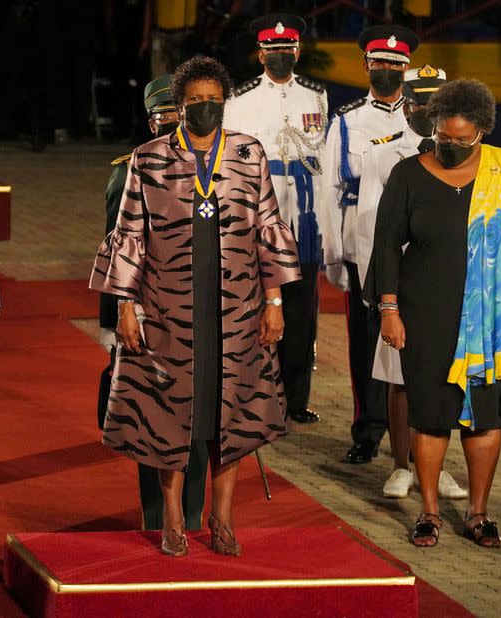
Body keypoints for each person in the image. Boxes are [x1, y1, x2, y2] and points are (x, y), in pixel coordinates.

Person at [90, 56, 300, 557]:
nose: (205, 110)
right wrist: (123, 306)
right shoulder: (150, 157)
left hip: (237, 309)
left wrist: (275, 301)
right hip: (169, 312)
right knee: (168, 416)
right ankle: (171, 520)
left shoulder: (248, 153)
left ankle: (221, 519)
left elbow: (268, 230)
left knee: (231, 416)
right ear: (178, 107)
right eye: (195, 103)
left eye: (214, 102)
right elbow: (130, 237)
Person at [363, 79, 501, 548]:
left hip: (496, 316)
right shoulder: (408, 174)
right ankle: (430, 512)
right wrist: (388, 310)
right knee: (430, 415)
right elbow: (387, 246)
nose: (450, 146)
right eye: (442, 138)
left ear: (483, 132)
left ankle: (478, 513)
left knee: (485, 418)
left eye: (462, 139)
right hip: (424, 309)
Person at [98, 74, 209, 531]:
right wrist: (114, 325)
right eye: (162, 115)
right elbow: (116, 246)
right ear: (150, 121)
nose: (169, 123)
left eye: (176, 114)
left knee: (202, 417)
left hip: (205, 314)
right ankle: (156, 515)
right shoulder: (128, 170)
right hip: (151, 317)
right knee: (153, 415)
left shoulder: (216, 166)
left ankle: (196, 514)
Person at [355, 66, 466, 500]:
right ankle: (402, 466)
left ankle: (435, 469)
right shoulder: (385, 155)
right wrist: (382, 296)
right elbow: (371, 230)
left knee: (443, 376)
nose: (423, 111)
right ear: (406, 105)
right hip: (399, 286)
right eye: (417, 103)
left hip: (441, 283)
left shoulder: (459, 156)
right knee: (399, 377)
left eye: (433, 104)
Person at [319, 24, 419, 465]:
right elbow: (329, 189)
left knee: (416, 340)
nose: (386, 71)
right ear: (366, 66)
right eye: (378, 63)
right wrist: (334, 253)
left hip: (415, 249)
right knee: (365, 343)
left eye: (394, 65)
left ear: (406, 68)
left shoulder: (423, 115)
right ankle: (369, 429)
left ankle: (418, 431)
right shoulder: (346, 121)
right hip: (364, 244)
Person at [223, 13, 327, 425]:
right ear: (260, 53)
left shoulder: (317, 96)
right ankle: (252, 394)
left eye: (287, 50)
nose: (281, 56)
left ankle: (295, 398)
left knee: (303, 314)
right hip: (258, 221)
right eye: (273, 50)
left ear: (297, 51)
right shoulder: (241, 100)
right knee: (254, 309)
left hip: (304, 220)